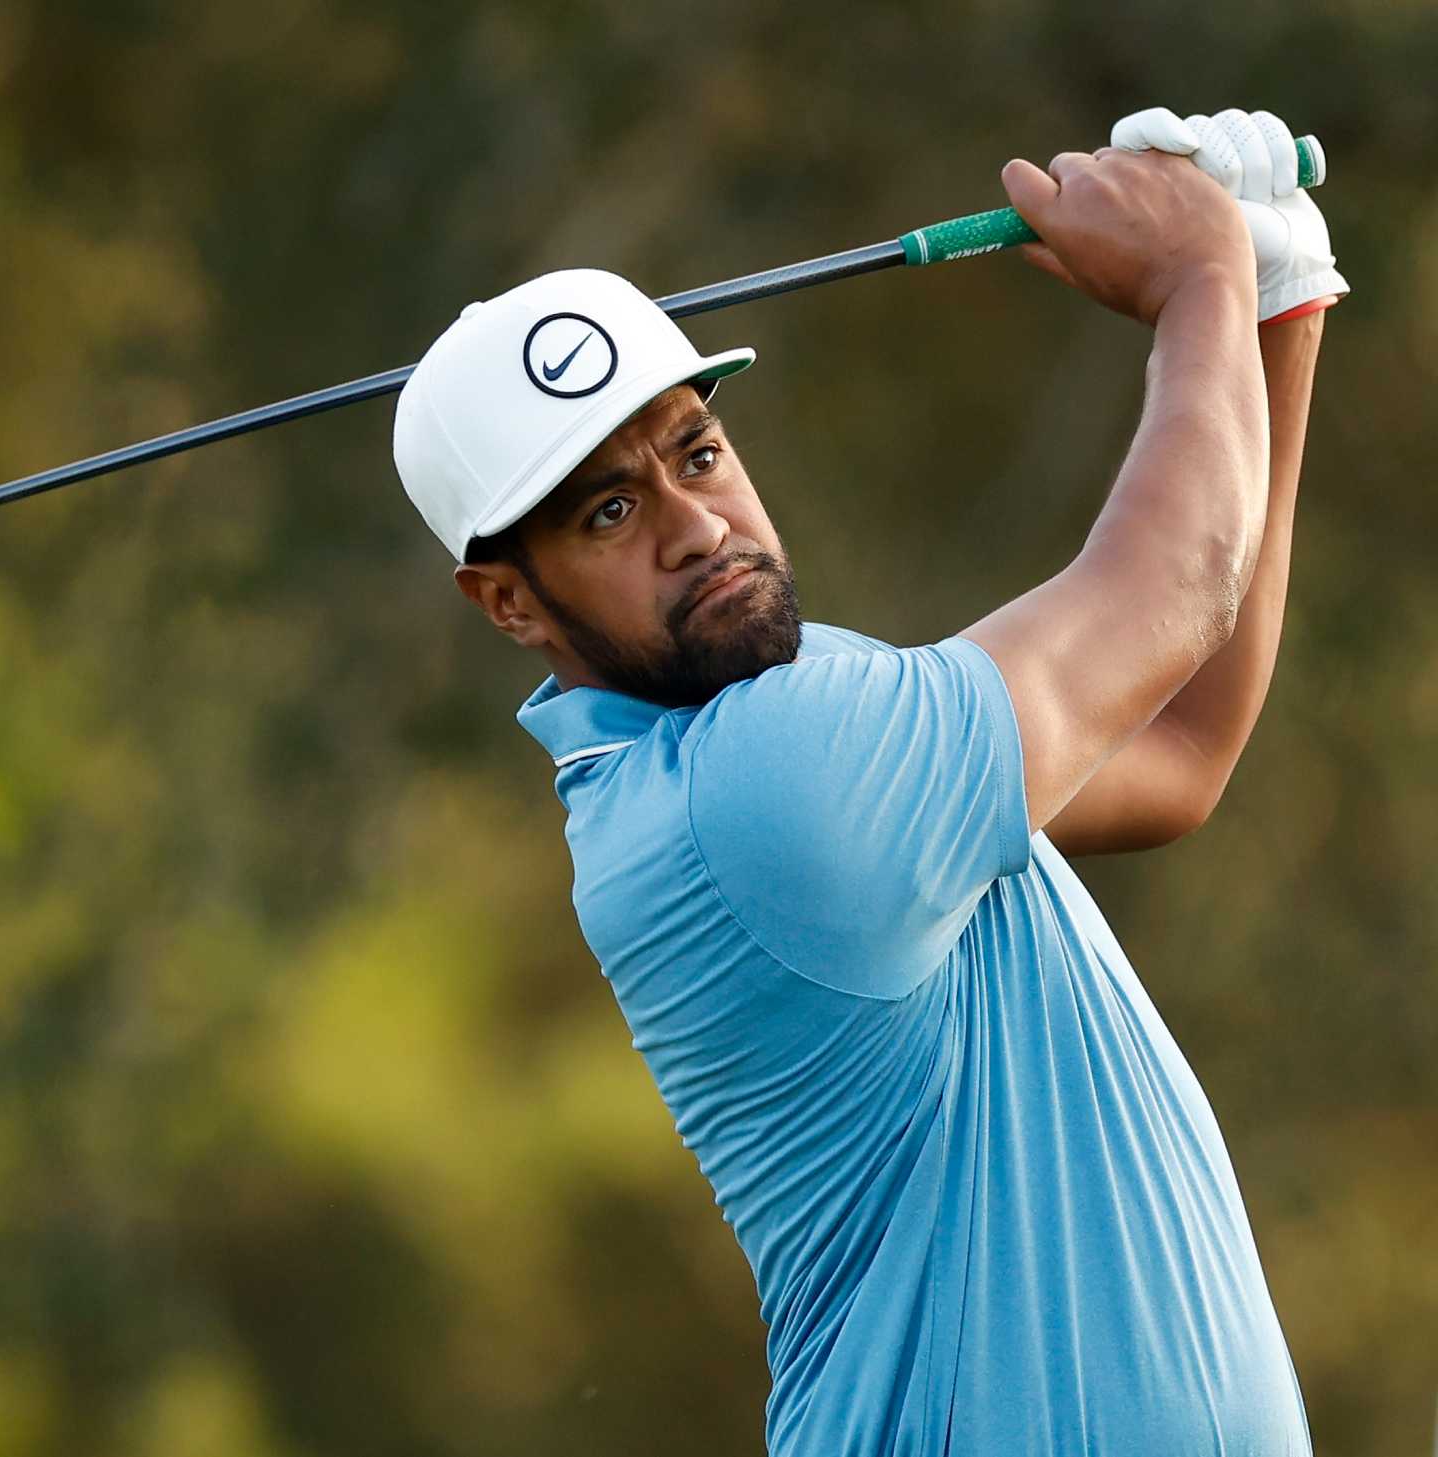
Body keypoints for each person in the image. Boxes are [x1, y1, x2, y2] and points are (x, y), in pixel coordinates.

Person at [391, 106, 1345, 1454]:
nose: (697, 527)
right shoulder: (759, 785)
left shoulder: (784, 708)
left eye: (697, 453)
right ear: (508, 601)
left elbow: (1178, 749)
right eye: (609, 511)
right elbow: (1172, 582)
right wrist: (1200, 279)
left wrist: (1272, 309)